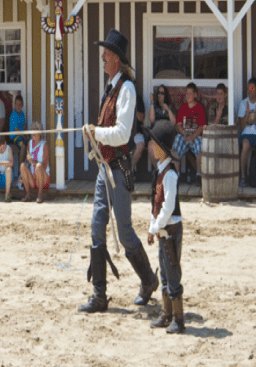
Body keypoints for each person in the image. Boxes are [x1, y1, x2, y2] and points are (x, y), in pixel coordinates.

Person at [79, 28, 158, 314]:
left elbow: (123, 134)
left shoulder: (126, 89)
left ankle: (148, 280)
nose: (102, 57)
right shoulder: (112, 88)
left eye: (106, 54)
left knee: (124, 233)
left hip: (119, 169)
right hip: (105, 169)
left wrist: (95, 132)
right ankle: (99, 295)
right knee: (97, 226)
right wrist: (95, 133)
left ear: (116, 59)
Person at [146, 136, 186, 334]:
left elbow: (168, 207)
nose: (152, 146)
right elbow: (156, 204)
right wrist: (153, 226)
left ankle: (178, 318)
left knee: (172, 272)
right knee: (164, 271)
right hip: (163, 229)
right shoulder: (161, 171)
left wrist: (155, 227)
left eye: (155, 143)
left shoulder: (169, 174)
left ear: (163, 148)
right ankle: (166, 313)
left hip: (170, 230)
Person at [171, 82, 207, 183]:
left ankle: (199, 175)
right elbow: (178, 125)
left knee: (200, 149)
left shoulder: (199, 108)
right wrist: (185, 134)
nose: (188, 96)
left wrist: (192, 137)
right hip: (185, 135)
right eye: (186, 93)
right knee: (175, 148)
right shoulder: (183, 108)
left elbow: (201, 126)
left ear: (195, 95)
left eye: (190, 93)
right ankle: (176, 176)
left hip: (196, 136)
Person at [238, 77, 256, 188]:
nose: (250, 91)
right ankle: (243, 178)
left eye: (252, 88)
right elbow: (241, 125)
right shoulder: (243, 103)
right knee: (245, 146)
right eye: (248, 88)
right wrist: (247, 114)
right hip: (246, 134)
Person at [19, 121, 50, 203]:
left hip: (44, 179)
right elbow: (28, 161)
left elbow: (45, 165)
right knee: (22, 165)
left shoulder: (44, 145)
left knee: (39, 166)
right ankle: (27, 195)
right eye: (32, 130)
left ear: (39, 132)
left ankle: (40, 194)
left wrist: (33, 162)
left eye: (35, 131)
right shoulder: (30, 143)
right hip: (33, 179)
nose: (33, 133)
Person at [8, 94, 26, 181]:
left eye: (20, 105)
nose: (18, 106)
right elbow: (16, 129)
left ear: (22, 105)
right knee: (23, 145)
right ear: (14, 104)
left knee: (29, 143)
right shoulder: (13, 115)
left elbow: (24, 125)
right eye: (17, 105)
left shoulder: (22, 114)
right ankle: (20, 170)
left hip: (22, 136)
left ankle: (26, 168)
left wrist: (27, 135)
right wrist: (24, 135)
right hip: (15, 137)